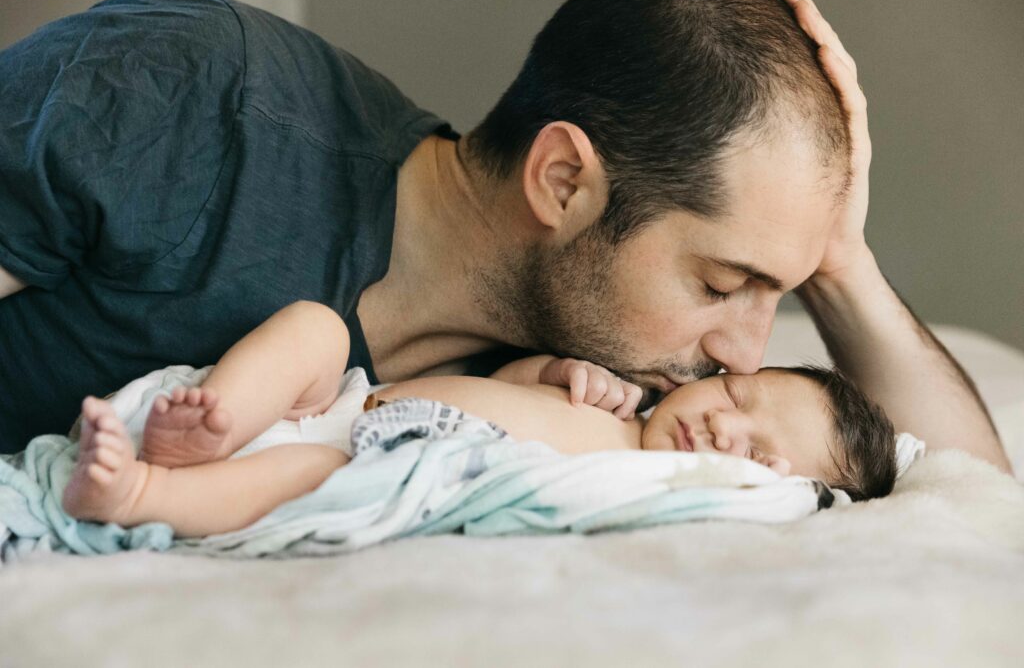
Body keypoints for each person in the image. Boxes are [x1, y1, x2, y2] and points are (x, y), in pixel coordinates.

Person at [0, 0, 1010, 475]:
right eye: (718, 282)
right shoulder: (196, 94)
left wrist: (838, 262)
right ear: (563, 180)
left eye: (774, 296)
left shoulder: (577, 386)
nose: (743, 353)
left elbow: (966, 499)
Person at [61, 300, 896, 538]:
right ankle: (216, 420)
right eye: (736, 401)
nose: (722, 432)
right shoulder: (617, 399)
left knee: (305, 475)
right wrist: (557, 370)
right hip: (346, 406)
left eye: (755, 452)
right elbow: (502, 379)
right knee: (317, 326)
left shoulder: (653, 485)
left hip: (372, 467)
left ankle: (140, 492)